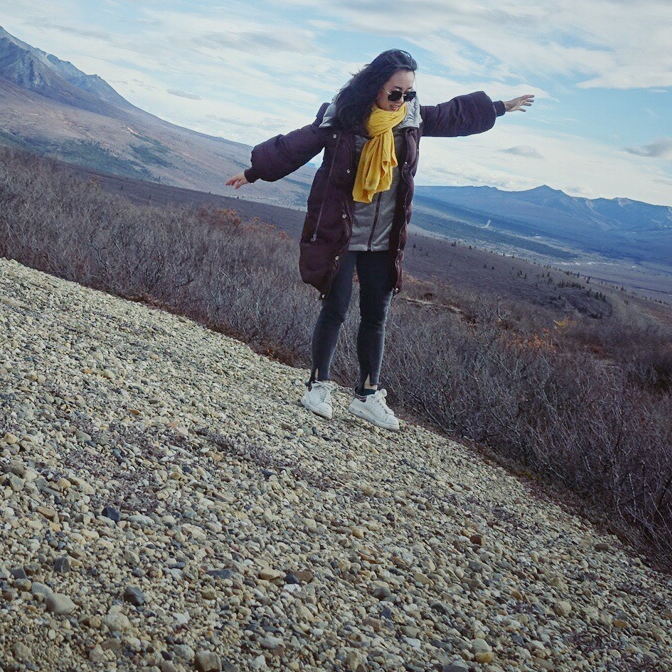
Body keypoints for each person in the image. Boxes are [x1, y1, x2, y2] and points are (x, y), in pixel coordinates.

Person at [226, 49, 534, 430]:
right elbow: (295, 146)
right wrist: (253, 172)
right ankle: (318, 386)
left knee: (376, 316)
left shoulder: (412, 120)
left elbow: (456, 115)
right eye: (395, 92)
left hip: (385, 235)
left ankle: (368, 395)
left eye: (409, 93)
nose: (402, 100)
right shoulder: (341, 118)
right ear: (374, 86)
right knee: (335, 308)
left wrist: (500, 107)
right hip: (343, 231)